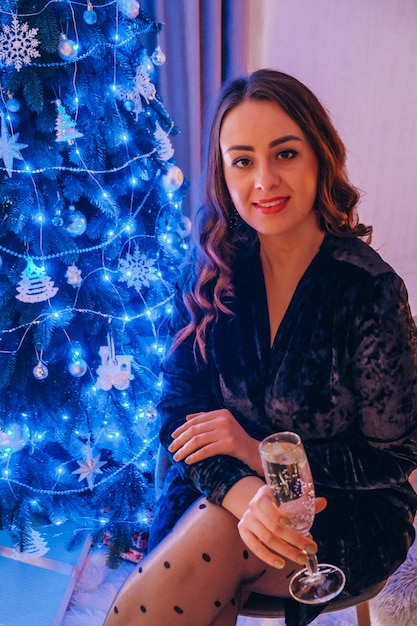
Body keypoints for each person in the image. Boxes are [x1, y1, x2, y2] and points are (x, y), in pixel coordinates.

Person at [104, 69, 417, 626]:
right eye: (242, 160)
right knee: (220, 534)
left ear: (319, 156)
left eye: (285, 154)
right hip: (220, 488)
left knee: (210, 551)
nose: (264, 180)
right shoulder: (208, 271)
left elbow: (394, 457)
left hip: (345, 511)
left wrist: (258, 452)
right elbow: (180, 415)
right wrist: (247, 491)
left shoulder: (369, 291)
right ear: (223, 174)